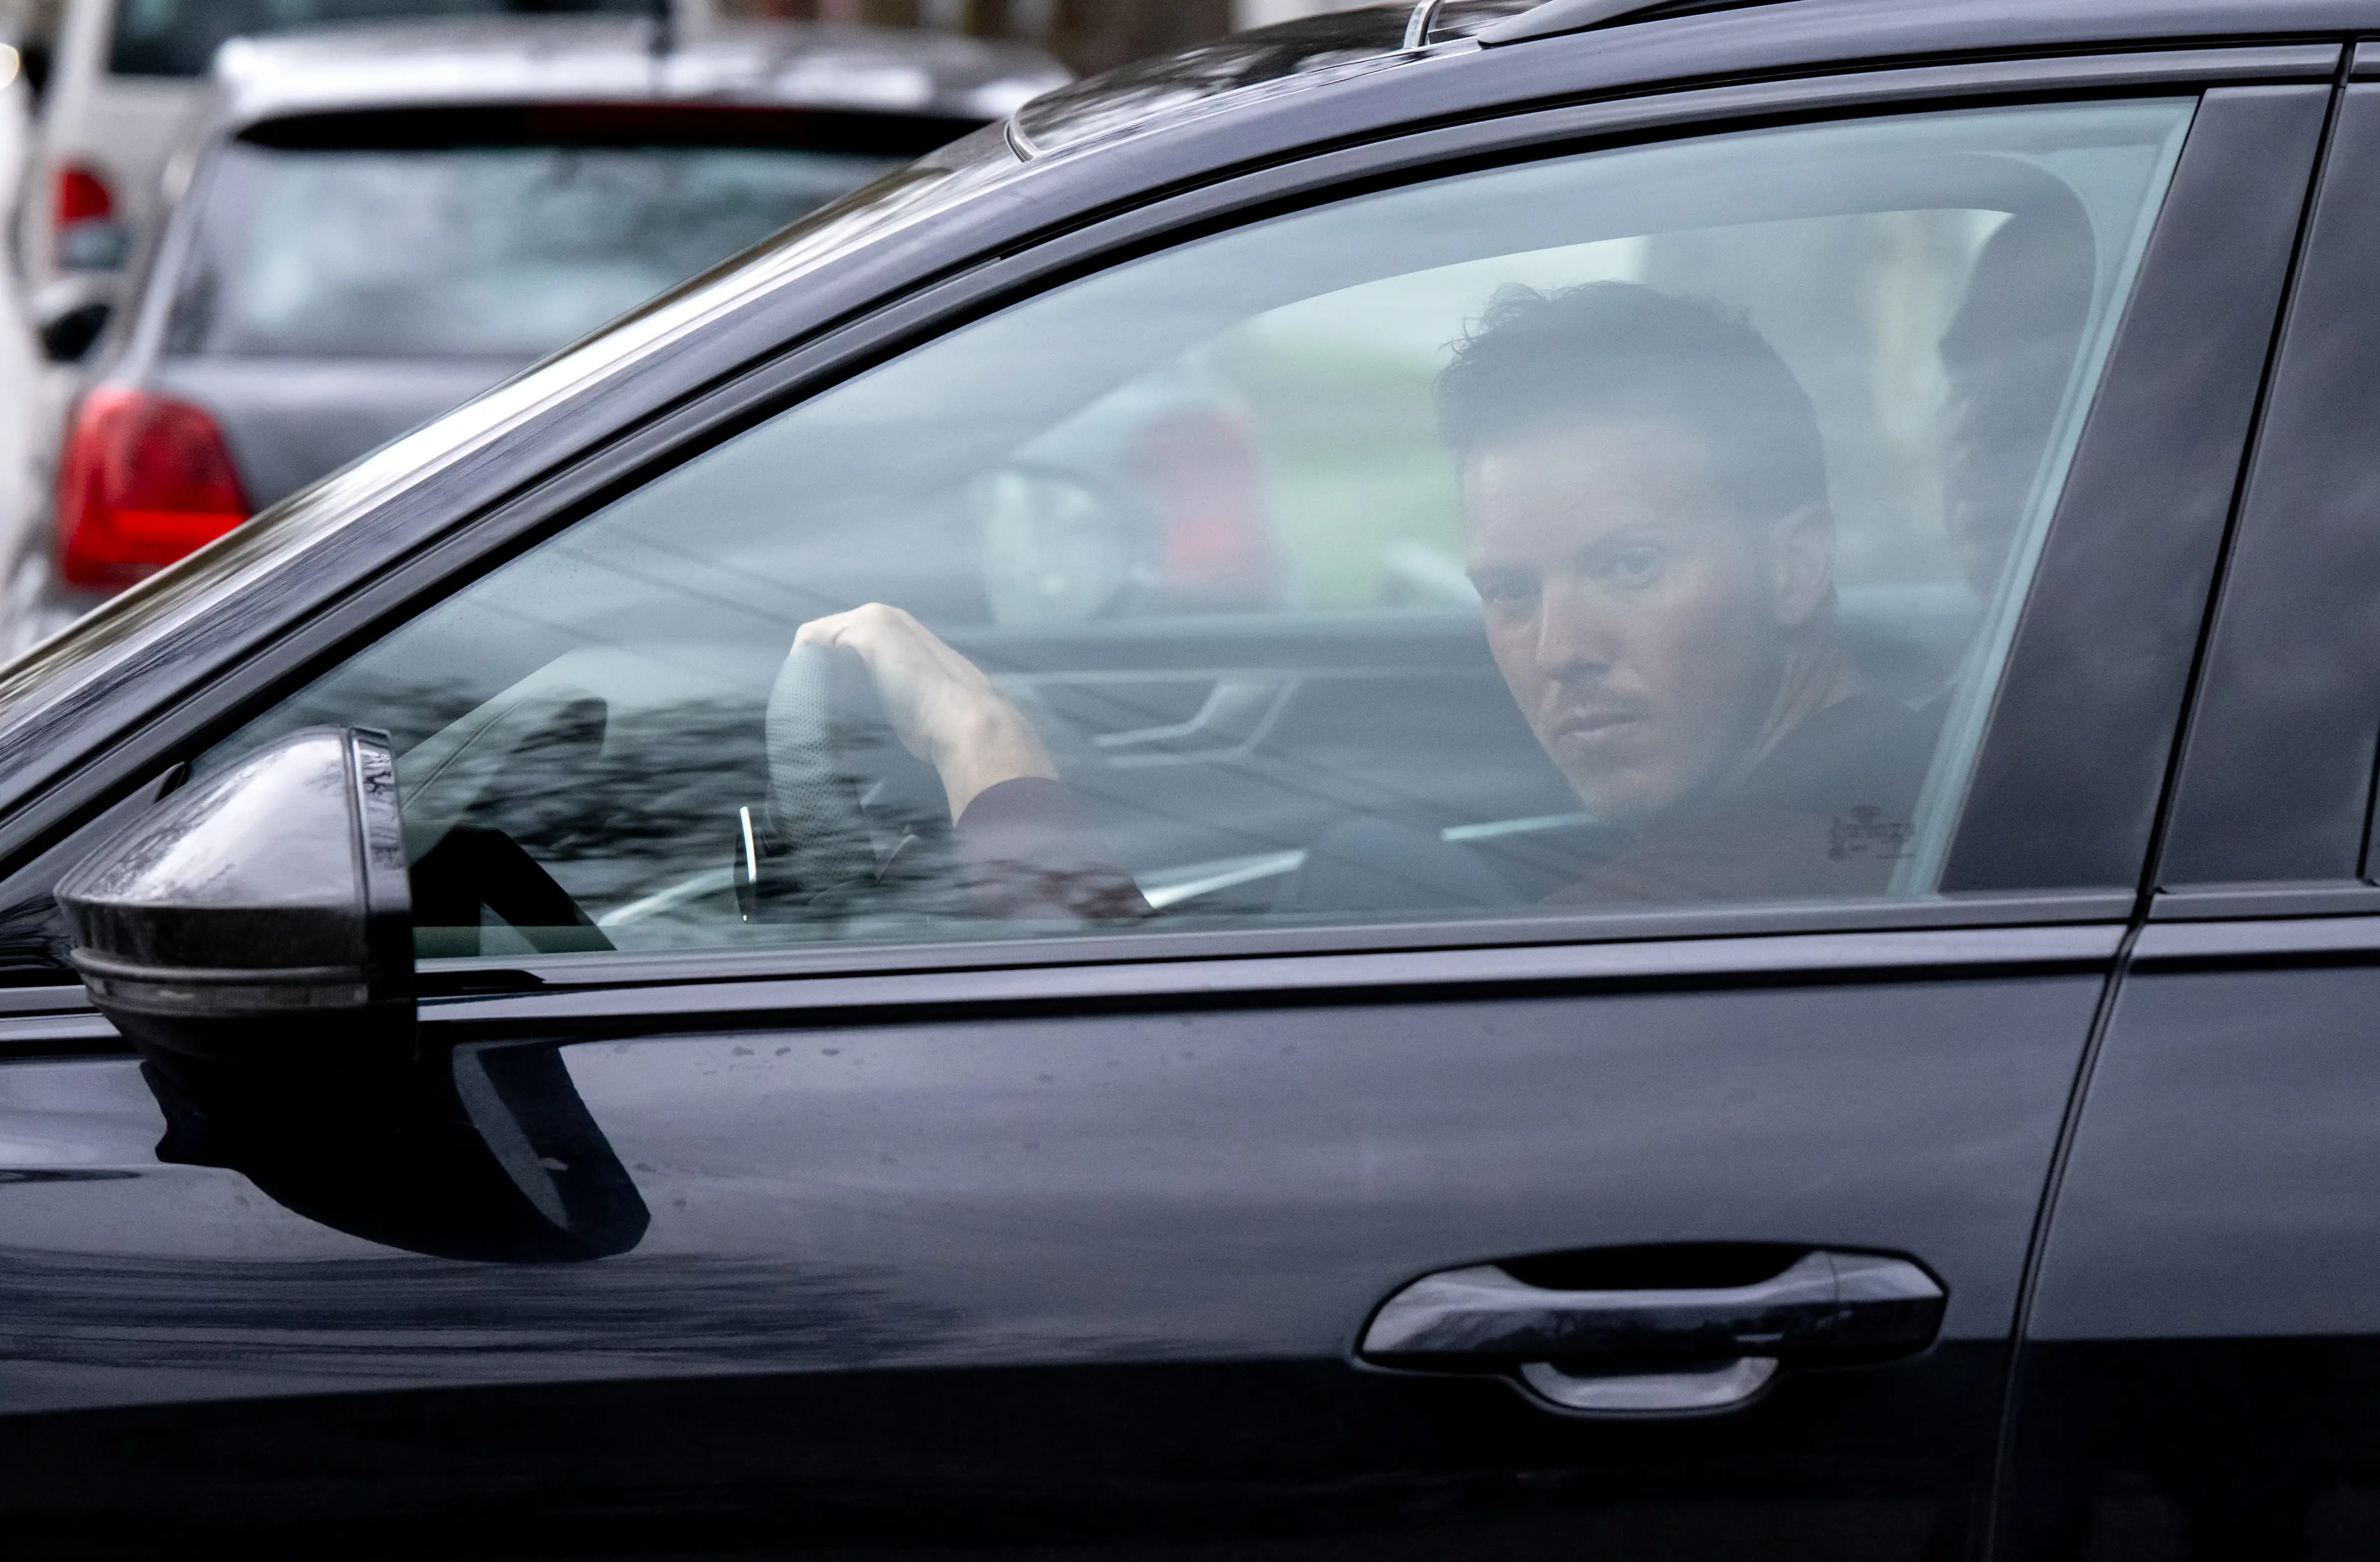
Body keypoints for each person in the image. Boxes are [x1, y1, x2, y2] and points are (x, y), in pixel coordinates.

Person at [796, 280, 1933, 915]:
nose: (1560, 648)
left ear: (1795, 567)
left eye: (1628, 567)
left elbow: (1145, 1102)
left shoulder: (1752, 901)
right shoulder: (1892, 780)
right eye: (1509, 589)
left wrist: (984, 750)